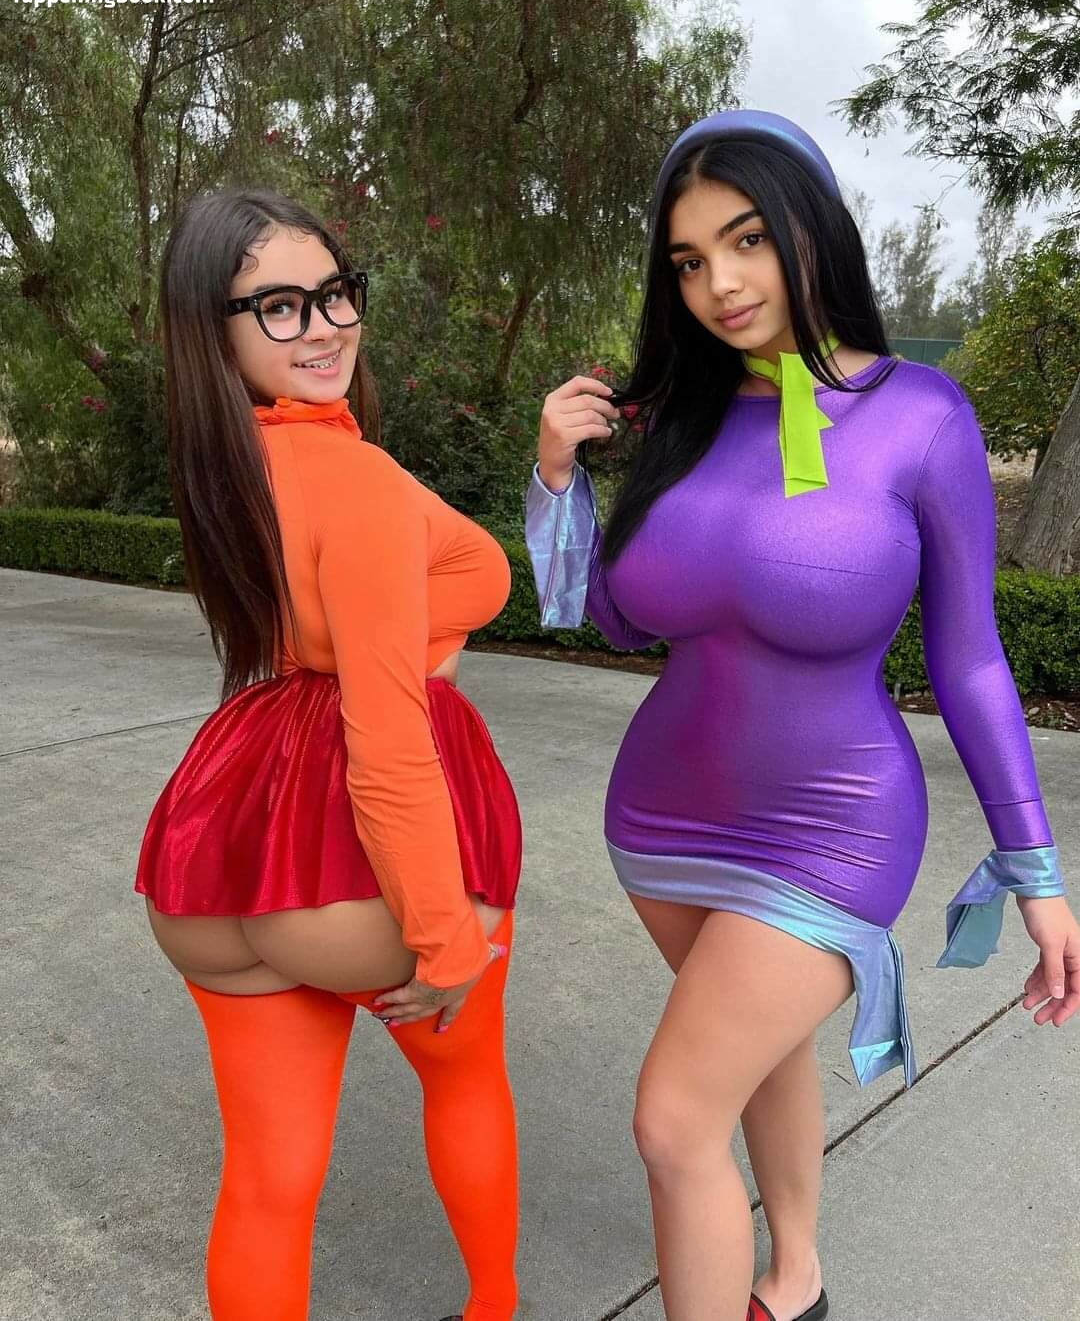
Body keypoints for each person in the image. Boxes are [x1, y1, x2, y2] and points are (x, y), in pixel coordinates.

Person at [524, 110, 1078, 1321]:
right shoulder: (680, 417)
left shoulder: (921, 415)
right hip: (664, 820)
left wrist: (1035, 868)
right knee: (754, 1055)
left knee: (675, 1118)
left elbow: (971, 659)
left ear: (811, 228)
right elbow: (615, 622)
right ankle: (796, 1276)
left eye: (748, 240)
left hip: (836, 826)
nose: (719, 283)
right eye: (687, 260)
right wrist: (560, 479)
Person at [135, 188, 521, 1321]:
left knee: (267, 1180)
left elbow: (316, 636)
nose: (324, 326)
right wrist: (444, 934)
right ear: (217, 331)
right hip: (355, 870)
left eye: (335, 293)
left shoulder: (228, 466)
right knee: (466, 1082)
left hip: (219, 856)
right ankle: (492, 1308)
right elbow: (387, 738)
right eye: (281, 306)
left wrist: (416, 631)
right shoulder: (358, 480)